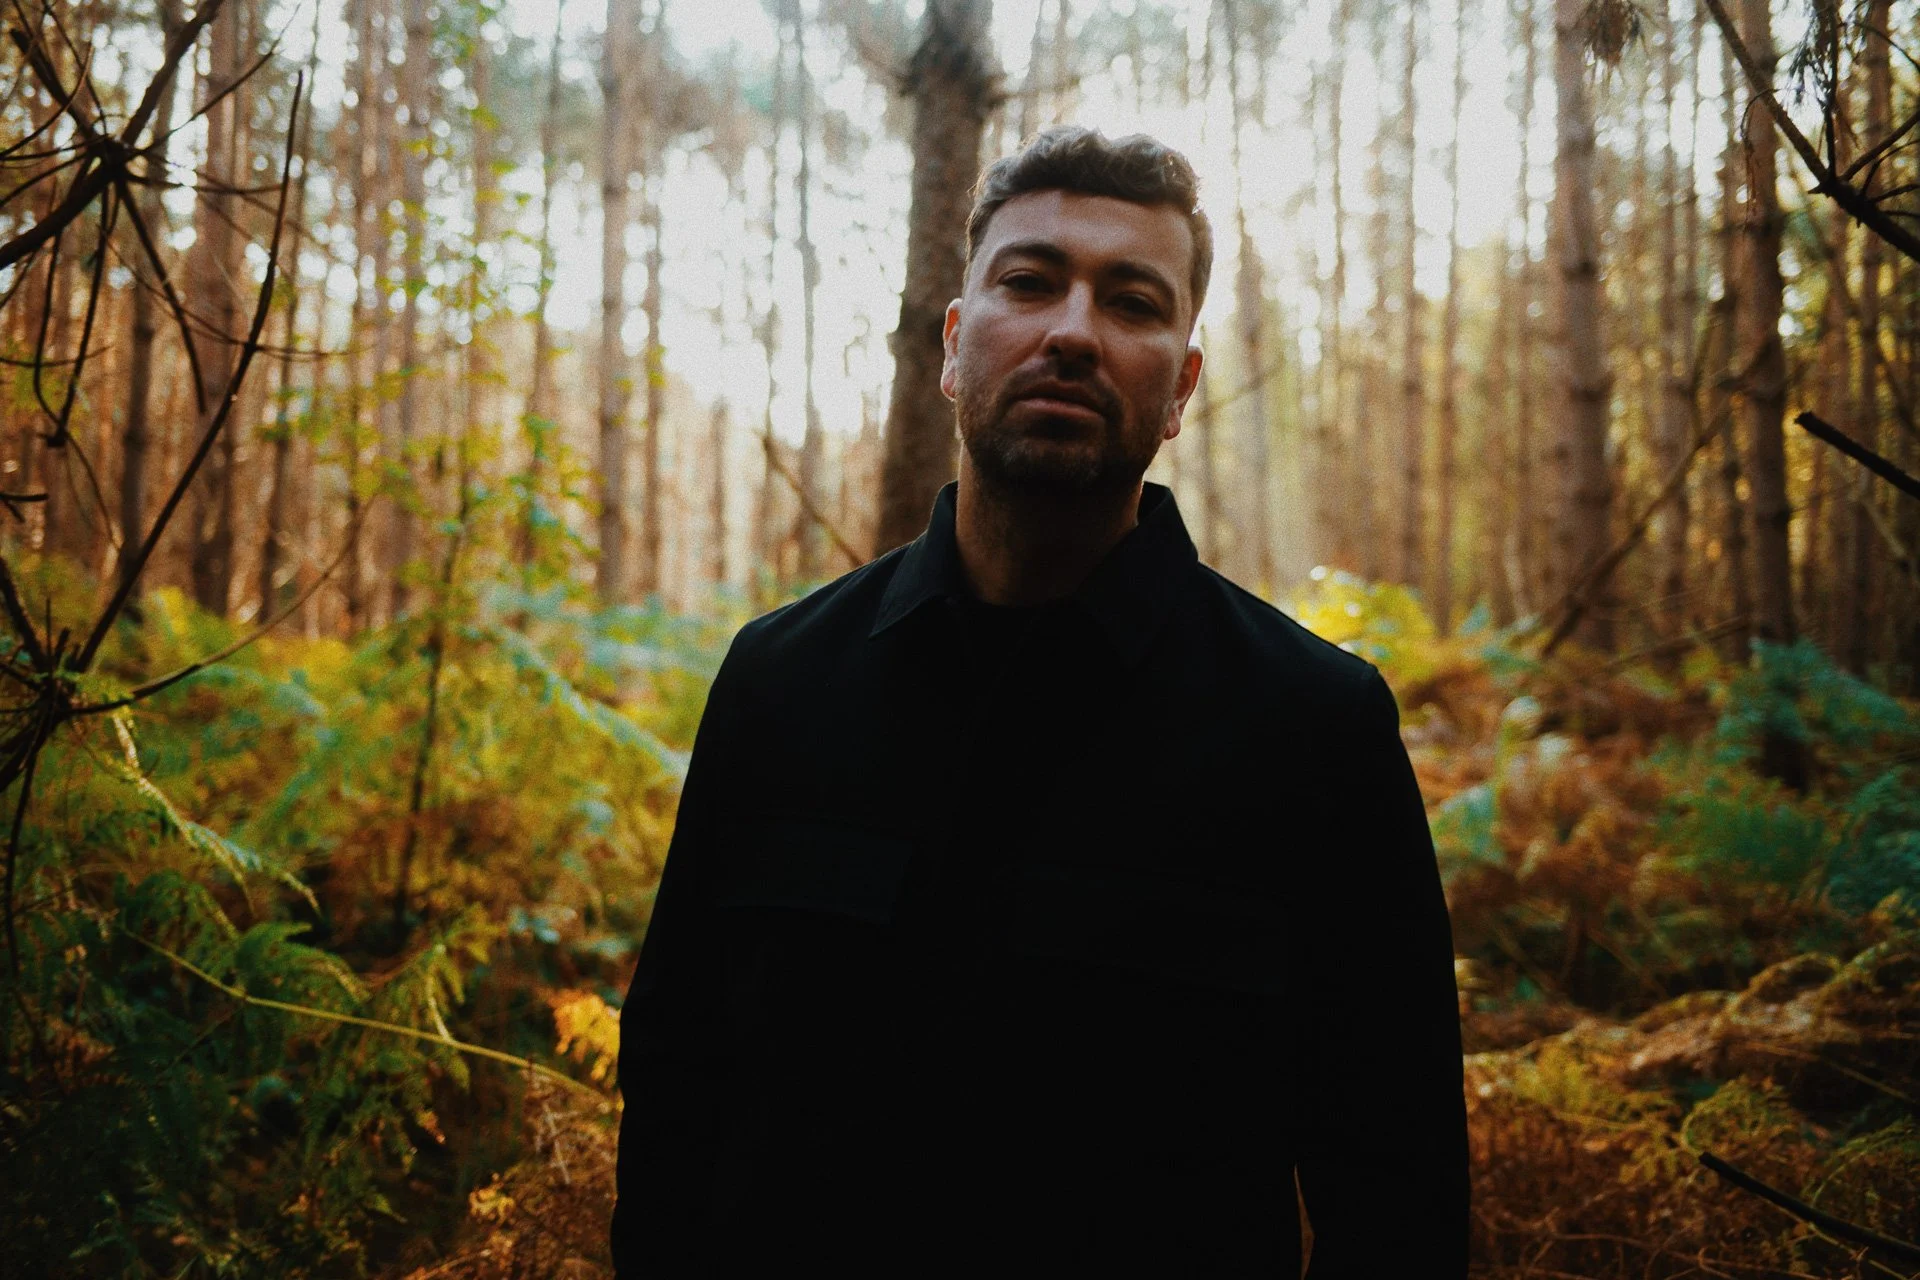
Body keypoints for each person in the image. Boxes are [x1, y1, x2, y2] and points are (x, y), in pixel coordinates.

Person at [612, 126, 1468, 1278]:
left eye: (1132, 301)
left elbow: (1400, 1196)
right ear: (954, 346)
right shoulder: (780, 680)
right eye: (1029, 282)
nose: (1072, 331)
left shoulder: (1315, 728)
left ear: (1181, 387)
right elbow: (676, 1095)